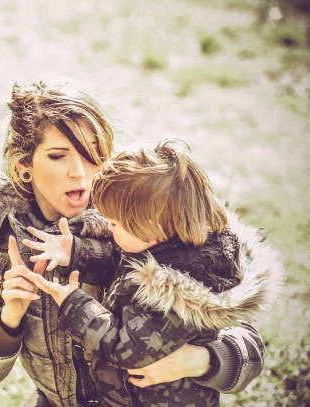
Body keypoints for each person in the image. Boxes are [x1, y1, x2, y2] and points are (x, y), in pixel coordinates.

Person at [0, 79, 267, 407]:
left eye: (92, 154)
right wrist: (8, 317)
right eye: (58, 156)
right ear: (24, 165)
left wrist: (202, 360)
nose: (80, 172)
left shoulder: (147, 214)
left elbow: (251, 350)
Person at [26, 141, 283, 406]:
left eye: (113, 223)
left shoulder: (178, 293)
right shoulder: (162, 246)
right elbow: (121, 262)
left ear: (151, 226)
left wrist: (74, 303)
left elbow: (124, 347)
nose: (108, 228)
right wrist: (77, 252)